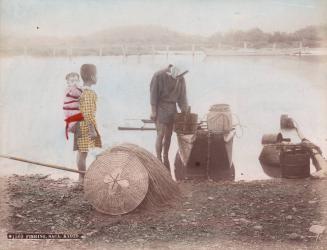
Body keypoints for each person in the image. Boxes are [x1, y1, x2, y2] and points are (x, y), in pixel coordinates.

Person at [150, 64, 189, 170]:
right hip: (160, 107)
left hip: (172, 109)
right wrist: (153, 111)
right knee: (160, 134)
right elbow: (153, 95)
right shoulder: (158, 76)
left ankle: (165, 155)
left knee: (169, 135)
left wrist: (185, 111)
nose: (179, 79)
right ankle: (158, 157)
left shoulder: (181, 79)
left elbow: (182, 97)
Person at [74, 64, 102, 183]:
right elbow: (88, 113)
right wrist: (92, 129)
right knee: (83, 152)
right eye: (96, 75)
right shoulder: (90, 93)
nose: (97, 77)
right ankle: (82, 178)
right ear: (92, 76)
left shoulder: (80, 91)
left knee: (81, 152)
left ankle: (81, 176)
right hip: (86, 125)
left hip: (79, 124)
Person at [63, 72, 84, 140]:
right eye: (72, 81)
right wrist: (81, 88)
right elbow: (78, 94)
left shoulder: (76, 88)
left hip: (74, 111)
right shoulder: (70, 89)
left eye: (76, 80)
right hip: (71, 111)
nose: (74, 83)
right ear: (68, 83)